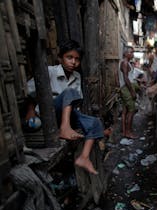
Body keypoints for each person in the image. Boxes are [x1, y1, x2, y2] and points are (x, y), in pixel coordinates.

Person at [26, 40, 105, 175]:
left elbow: (76, 101)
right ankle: (64, 128)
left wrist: (81, 119)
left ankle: (84, 158)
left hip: (68, 114)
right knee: (69, 92)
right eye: (69, 57)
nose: (73, 62)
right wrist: (30, 111)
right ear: (60, 58)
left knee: (95, 122)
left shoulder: (77, 76)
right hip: (49, 115)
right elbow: (28, 93)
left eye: (77, 59)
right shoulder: (49, 72)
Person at [118, 46, 140, 139]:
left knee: (125, 111)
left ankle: (124, 131)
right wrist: (132, 92)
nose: (132, 54)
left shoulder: (124, 62)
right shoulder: (125, 63)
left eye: (133, 52)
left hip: (124, 88)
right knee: (131, 111)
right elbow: (126, 78)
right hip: (126, 88)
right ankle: (128, 132)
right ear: (126, 53)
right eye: (131, 52)